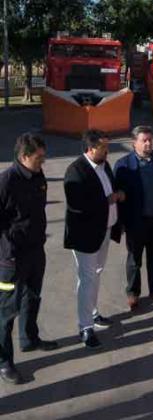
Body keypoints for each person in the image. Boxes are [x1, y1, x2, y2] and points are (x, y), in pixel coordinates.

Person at [0, 133, 58, 384]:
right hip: (10, 260)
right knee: (5, 312)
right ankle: (4, 363)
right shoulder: (6, 182)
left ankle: (29, 338)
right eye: (39, 158)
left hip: (36, 251)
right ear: (24, 156)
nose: (42, 162)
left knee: (33, 295)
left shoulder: (37, 177)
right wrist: (7, 251)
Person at [64, 130, 125, 348]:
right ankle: (85, 327)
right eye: (103, 148)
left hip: (105, 231)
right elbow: (77, 205)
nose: (107, 151)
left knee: (96, 274)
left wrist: (116, 194)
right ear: (90, 149)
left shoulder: (104, 164)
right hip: (85, 236)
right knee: (87, 278)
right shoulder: (75, 171)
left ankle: (93, 313)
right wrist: (108, 199)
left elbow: (110, 186)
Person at [114, 126, 153, 310]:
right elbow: (118, 197)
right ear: (134, 143)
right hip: (135, 222)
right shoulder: (123, 165)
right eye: (144, 140)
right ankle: (133, 292)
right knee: (134, 260)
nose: (148, 143)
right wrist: (120, 222)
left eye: (150, 140)